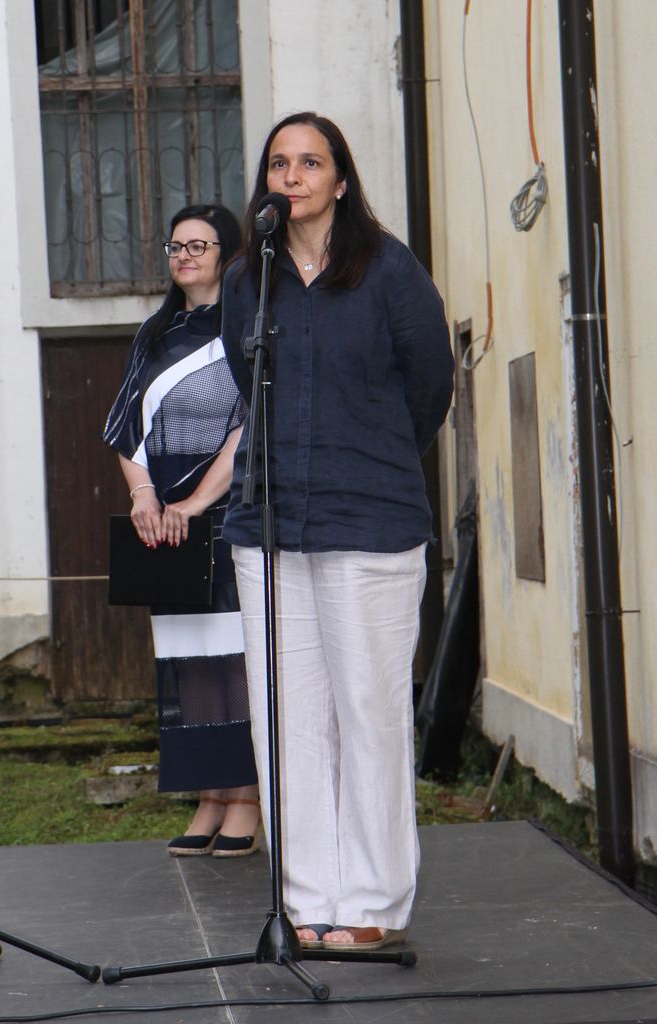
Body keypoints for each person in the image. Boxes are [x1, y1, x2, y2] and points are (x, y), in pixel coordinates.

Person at [221, 113, 454, 947]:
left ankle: (371, 906)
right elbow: (244, 376)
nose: (292, 176)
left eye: (310, 162)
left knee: (367, 713)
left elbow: (429, 384)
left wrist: (369, 454)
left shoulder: (388, 269)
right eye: (279, 163)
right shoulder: (249, 276)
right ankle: (307, 900)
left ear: (340, 180)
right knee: (287, 719)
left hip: (370, 520)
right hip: (270, 522)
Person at [104, 204, 260, 858]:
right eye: (176, 246)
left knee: (233, 659)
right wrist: (144, 494)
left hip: (227, 512)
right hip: (164, 520)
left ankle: (245, 798)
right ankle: (208, 795)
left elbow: (249, 427)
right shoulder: (155, 333)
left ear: (228, 254)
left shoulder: (248, 328)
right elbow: (124, 427)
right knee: (186, 660)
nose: (184, 256)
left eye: (199, 245)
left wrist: (196, 503)